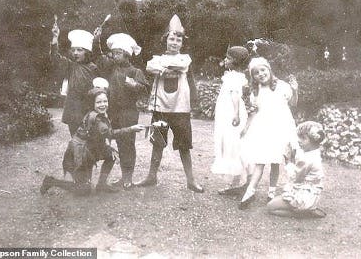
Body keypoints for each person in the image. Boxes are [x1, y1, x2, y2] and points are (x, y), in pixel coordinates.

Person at [135, 14, 204, 193]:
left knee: (184, 145)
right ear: (166, 41)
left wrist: (162, 69)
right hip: (161, 108)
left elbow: (182, 67)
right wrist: (162, 68)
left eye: (178, 40)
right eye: (171, 39)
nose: (174, 43)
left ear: (182, 44)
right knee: (158, 142)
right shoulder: (157, 59)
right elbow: (150, 67)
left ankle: (191, 180)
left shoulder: (185, 59)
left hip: (180, 109)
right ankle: (152, 176)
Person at [40, 80, 145, 196]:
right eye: (99, 102)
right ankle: (51, 181)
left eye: (105, 101)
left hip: (90, 149)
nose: (103, 104)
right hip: (78, 154)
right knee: (83, 190)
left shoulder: (100, 113)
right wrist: (131, 128)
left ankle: (101, 185)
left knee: (111, 155)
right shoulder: (95, 118)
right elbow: (110, 133)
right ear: (93, 104)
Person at [238, 57, 299, 209]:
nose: (261, 74)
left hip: (282, 127)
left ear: (269, 70)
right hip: (265, 128)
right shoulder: (256, 92)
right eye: (256, 73)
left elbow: (293, 103)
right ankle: (250, 192)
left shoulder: (282, 86)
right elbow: (254, 112)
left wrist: (295, 90)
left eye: (263, 70)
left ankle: (271, 192)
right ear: (253, 77)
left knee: (276, 161)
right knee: (260, 161)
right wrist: (246, 128)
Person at [93, 30, 149, 190]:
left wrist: (135, 85)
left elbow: (145, 89)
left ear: (126, 54)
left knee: (128, 145)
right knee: (117, 140)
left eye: (118, 53)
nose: (114, 56)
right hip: (113, 112)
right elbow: (99, 56)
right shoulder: (110, 68)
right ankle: (122, 176)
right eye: (114, 53)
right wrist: (97, 39)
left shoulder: (135, 71)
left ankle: (128, 178)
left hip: (128, 112)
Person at [211, 46, 252, 195]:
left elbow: (235, 95)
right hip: (226, 112)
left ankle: (240, 182)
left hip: (231, 113)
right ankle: (237, 182)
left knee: (233, 145)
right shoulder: (233, 75)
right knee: (231, 145)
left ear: (234, 61)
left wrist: (235, 114)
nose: (225, 60)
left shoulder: (234, 77)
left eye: (228, 58)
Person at [266, 121, 326, 218]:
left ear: (313, 141)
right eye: (299, 137)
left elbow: (295, 177)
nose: (299, 141)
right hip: (311, 194)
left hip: (304, 196)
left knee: (270, 207)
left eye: (303, 138)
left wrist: (288, 161)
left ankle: (302, 213)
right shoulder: (314, 153)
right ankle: (308, 208)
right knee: (279, 201)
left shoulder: (308, 159)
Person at [50, 22, 99, 136]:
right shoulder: (71, 66)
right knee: (76, 143)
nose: (75, 53)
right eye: (74, 50)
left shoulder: (93, 68)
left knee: (90, 144)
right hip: (73, 111)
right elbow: (55, 58)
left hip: (88, 110)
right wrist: (55, 38)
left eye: (79, 50)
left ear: (87, 52)